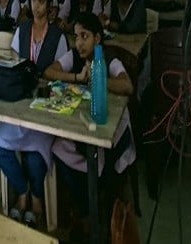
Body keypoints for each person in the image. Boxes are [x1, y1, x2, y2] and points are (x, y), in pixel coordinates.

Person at [0, 0, 69, 229]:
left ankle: (36, 198)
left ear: (50, 5)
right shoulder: (22, 30)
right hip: (20, 104)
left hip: (44, 107)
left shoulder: (58, 37)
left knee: (35, 158)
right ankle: (22, 189)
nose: (36, 6)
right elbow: (14, 62)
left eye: (41, 1)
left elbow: (60, 83)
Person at [44, 13, 134, 227]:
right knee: (57, 147)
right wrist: (77, 78)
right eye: (76, 36)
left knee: (96, 155)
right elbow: (50, 71)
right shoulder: (75, 55)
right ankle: (85, 202)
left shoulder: (109, 58)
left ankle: (95, 205)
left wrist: (97, 78)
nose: (79, 43)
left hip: (109, 127)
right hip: (84, 123)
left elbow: (127, 85)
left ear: (98, 38)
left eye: (85, 36)